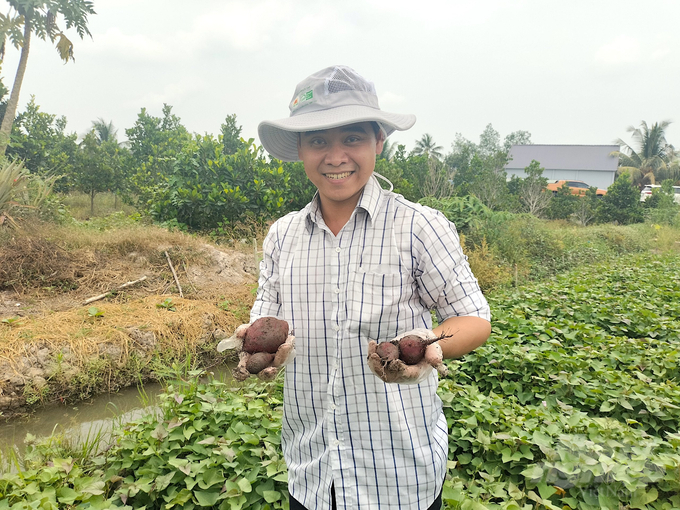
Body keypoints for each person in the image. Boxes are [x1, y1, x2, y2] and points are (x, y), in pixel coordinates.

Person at [220, 65, 491, 510]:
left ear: (378, 143)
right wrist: (256, 343)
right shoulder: (283, 235)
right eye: (318, 140)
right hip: (311, 473)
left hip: (399, 475)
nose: (335, 156)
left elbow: (475, 318)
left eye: (352, 138)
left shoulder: (418, 226)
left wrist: (430, 345)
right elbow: (265, 316)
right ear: (301, 150)